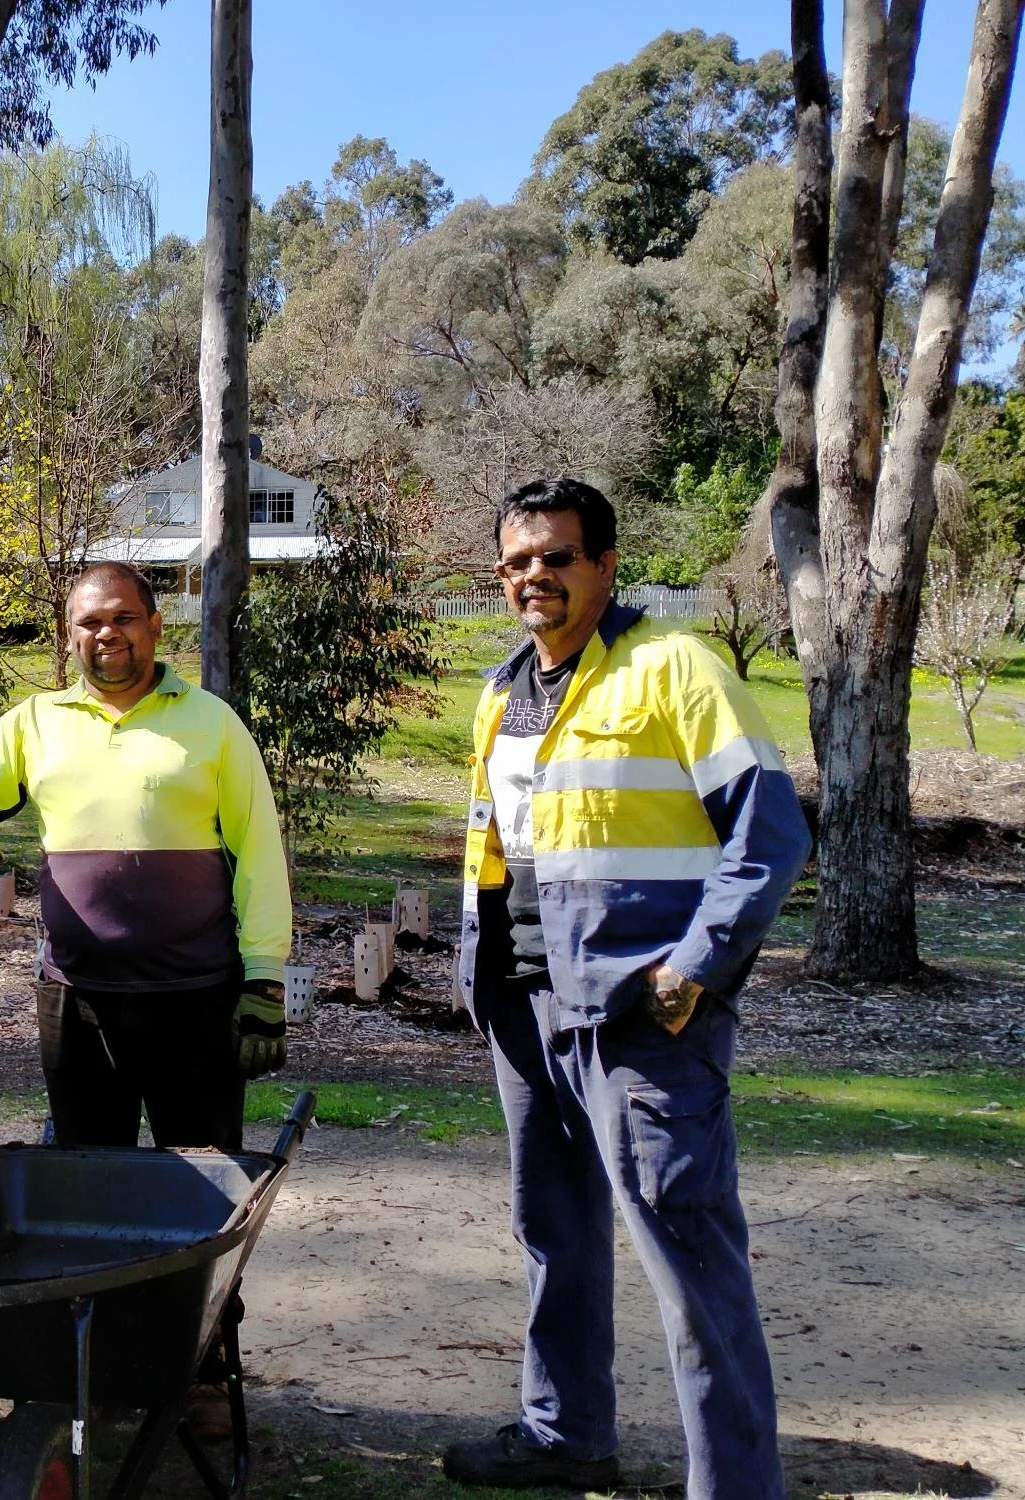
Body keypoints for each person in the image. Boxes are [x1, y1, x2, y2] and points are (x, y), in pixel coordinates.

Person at [444, 477, 811, 1497]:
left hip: (641, 1019)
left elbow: (769, 837)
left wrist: (692, 969)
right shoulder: (498, 690)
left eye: (556, 557)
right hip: (524, 1009)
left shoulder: (673, 670)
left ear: (604, 564)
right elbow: (498, 850)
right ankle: (566, 1436)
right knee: (553, 1235)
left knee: (689, 1254)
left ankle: (733, 1485)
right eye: (517, 560)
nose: (534, 577)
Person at [0, 560, 293, 1152]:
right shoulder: (37, 723)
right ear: (71, 635)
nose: (108, 633)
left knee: (206, 1189)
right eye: (90, 622)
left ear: (156, 626)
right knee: (85, 1183)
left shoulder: (213, 723)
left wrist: (266, 982)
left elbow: (260, 857)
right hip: (76, 999)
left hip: (196, 998)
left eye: (124, 618)